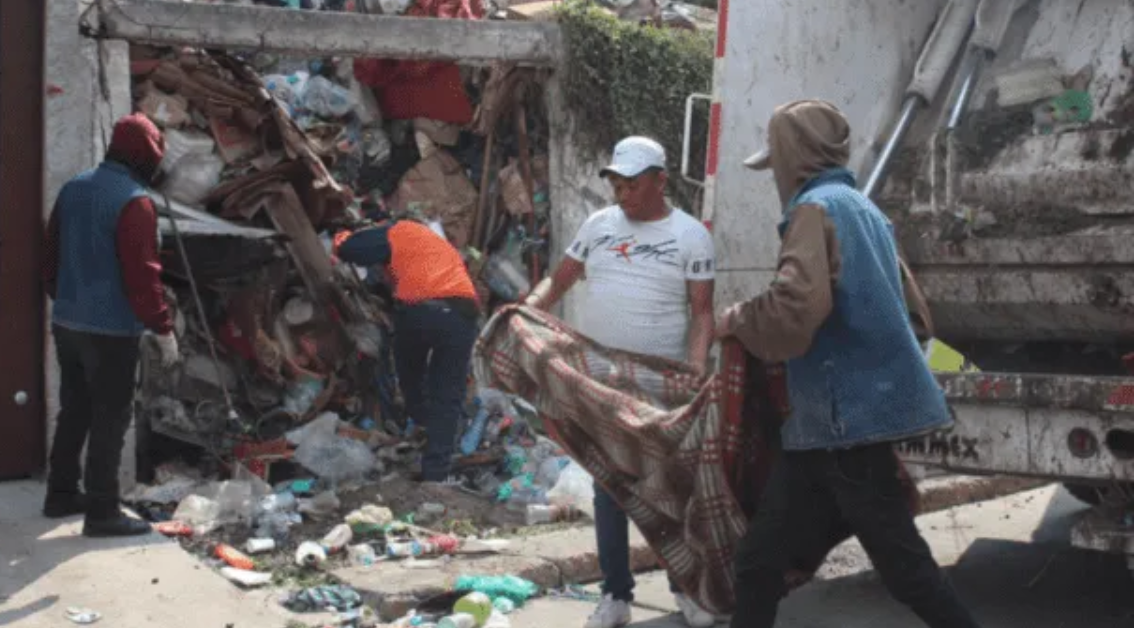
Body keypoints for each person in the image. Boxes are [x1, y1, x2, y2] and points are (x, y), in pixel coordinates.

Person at [719, 99, 980, 628]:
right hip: (829, 425)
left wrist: (737, 319)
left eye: (777, 160)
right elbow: (917, 318)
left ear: (794, 155)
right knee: (758, 560)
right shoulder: (864, 209)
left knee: (906, 569)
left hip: (842, 424)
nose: (776, 175)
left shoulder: (813, 210)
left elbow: (797, 306)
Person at [525, 136, 717, 628]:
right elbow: (560, 280)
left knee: (668, 487)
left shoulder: (691, 236)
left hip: (661, 382)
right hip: (602, 380)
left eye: (633, 184)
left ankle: (685, 589)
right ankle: (615, 596)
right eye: (617, 183)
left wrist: (696, 369)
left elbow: (701, 313)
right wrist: (526, 311)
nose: (623, 193)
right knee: (608, 486)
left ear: (660, 181)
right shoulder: (598, 226)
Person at [41, 112, 180, 537]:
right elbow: (142, 275)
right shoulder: (135, 202)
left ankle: (61, 493)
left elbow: (51, 255)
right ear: (146, 157)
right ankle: (102, 512)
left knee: (75, 410)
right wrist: (162, 327)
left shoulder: (74, 188)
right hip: (112, 330)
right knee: (111, 417)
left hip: (67, 321)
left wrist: (65, 299)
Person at [333, 218, 480, 483]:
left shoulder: (397, 231)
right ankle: (435, 473)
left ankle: (421, 421)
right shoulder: (435, 244)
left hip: (420, 311)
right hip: (463, 314)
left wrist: (341, 236)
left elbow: (352, 250)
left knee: (409, 371)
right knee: (447, 393)